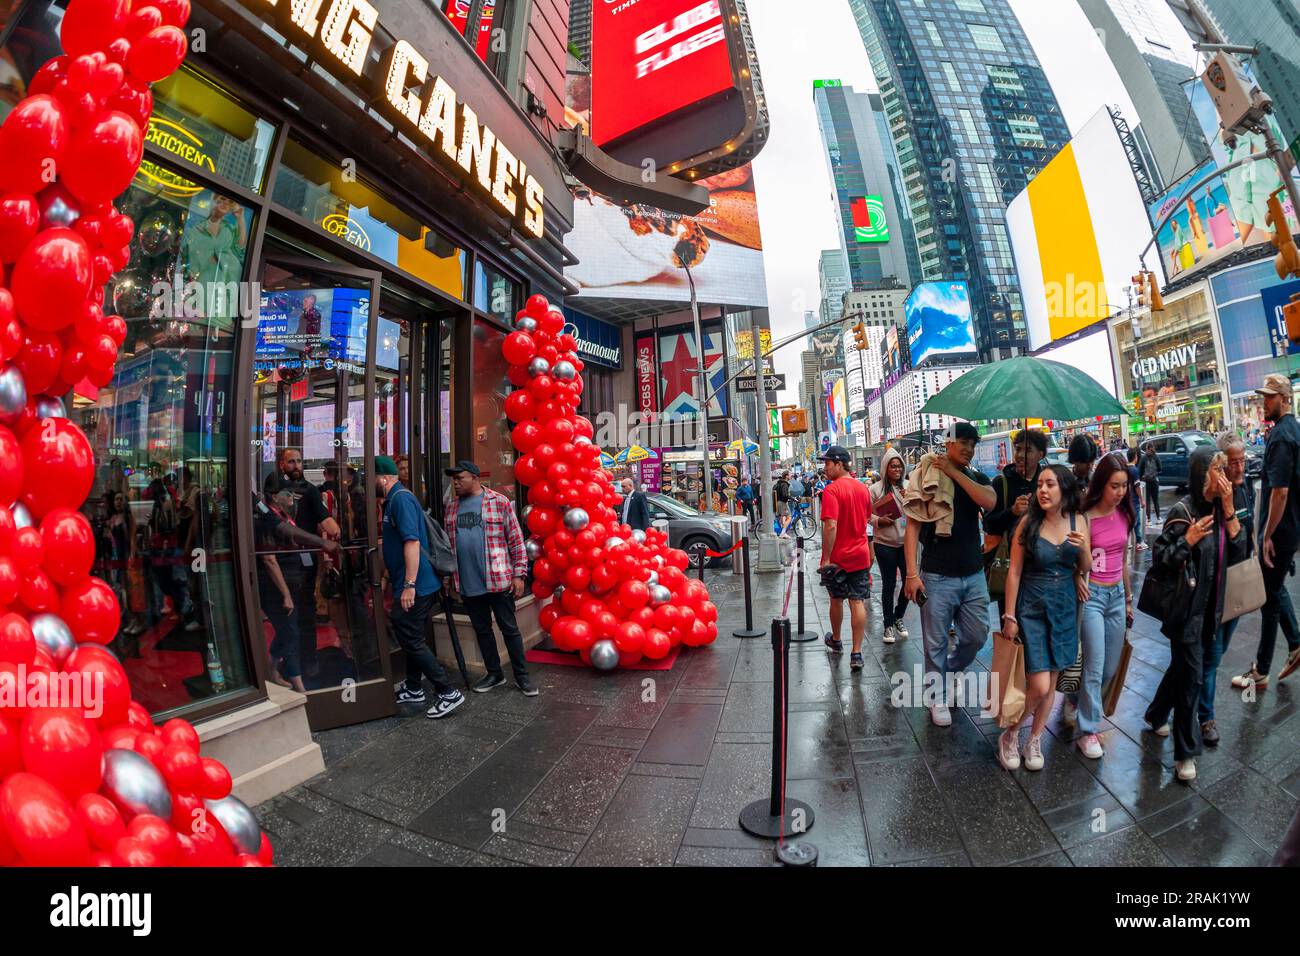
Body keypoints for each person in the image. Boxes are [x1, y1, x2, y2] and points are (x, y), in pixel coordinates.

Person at [1145, 448, 1245, 782]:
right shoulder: (1182, 511)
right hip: (1185, 611)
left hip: (1212, 610)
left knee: (1183, 670)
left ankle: (1156, 713)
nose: (1224, 474)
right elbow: (1160, 561)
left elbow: (1240, 552)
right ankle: (1185, 754)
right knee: (1191, 679)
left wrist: (1230, 511)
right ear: (1202, 473)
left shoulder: (1221, 509)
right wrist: (1186, 541)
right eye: (1217, 468)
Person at [903, 423, 997, 727]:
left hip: (973, 573)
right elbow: (913, 526)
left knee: (976, 635)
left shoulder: (976, 477)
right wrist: (911, 574)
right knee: (935, 643)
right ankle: (937, 696)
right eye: (963, 442)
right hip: (937, 574)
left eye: (972, 443)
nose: (968, 448)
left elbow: (990, 501)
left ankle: (952, 671)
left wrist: (956, 473)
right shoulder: (927, 475)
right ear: (948, 444)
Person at [1000, 465, 1089, 772]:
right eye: (1039, 484)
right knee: (1038, 685)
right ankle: (1011, 734)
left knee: (1051, 684)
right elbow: (1014, 571)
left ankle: (1034, 739)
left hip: (1064, 607)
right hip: (1032, 607)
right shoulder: (1029, 522)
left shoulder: (1078, 521)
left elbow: (1086, 565)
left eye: (1050, 484)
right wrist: (1009, 615)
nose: (1043, 490)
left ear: (1064, 489)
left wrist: (1083, 552)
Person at [373, 456, 465, 718]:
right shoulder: (394, 499)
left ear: (383, 478)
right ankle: (414, 687)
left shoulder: (400, 499)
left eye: (371, 479)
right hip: (413, 581)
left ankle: (447, 691)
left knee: (409, 634)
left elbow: (412, 543)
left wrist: (409, 585)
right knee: (411, 634)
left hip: (417, 583)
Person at [444, 461, 536, 696]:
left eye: (459, 478)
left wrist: (519, 574)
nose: (455, 483)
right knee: (482, 630)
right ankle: (495, 674)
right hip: (468, 582)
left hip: (499, 579)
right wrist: (450, 578)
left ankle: (522, 677)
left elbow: (515, 540)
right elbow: (449, 546)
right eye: (453, 479)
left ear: (475, 477)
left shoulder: (498, 502)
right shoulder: (452, 508)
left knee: (509, 629)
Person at [1233, 374, 1300, 690]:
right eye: (1264, 396)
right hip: (1288, 530)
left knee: (1269, 598)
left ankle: (1260, 669)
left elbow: (1280, 492)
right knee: (1273, 591)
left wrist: (1267, 535)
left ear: (1284, 399)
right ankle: (1296, 644)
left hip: (1281, 531)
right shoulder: (1291, 431)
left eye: (1270, 397)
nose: (1264, 402)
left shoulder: (1282, 437)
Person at [1069, 454, 1135, 758]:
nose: (1120, 492)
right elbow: (1073, 558)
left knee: (1110, 667)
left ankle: (1075, 696)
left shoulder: (1126, 514)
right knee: (1095, 667)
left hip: (1116, 597)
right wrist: (1078, 576)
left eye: (1124, 486)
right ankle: (1087, 730)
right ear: (1101, 485)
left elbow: (1122, 559)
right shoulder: (1085, 517)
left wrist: (1129, 597)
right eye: (1114, 486)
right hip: (1092, 597)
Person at [1202, 433, 1255, 743]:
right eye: (1233, 462)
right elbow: (1235, 542)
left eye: (1242, 461)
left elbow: (1245, 540)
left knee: (1215, 653)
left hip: (1236, 585)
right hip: (1214, 589)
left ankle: (1158, 710)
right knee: (1210, 655)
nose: (1239, 467)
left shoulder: (1243, 489)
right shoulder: (1214, 499)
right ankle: (1206, 718)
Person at [272, 448, 341, 678]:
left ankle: (304, 663)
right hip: (282, 560)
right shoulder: (277, 487)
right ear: (282, 464)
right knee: (290, 614)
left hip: (301, 561)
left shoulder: (309, 491)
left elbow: (329, 526)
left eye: (299, 461)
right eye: (291, 461)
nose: (296, 465)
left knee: (302, 611)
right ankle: (294, 665)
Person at [817, 446, 874, 672]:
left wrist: (826, 557)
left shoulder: (832, 490)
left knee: (836, 599)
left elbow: (830, 525)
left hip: (838, 558)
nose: (825, 467)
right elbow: (868, 518)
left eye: (827, 463)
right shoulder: (863, 488)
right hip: (860, 555)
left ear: (839, 464)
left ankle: (837, 639)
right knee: (857, 601)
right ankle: (856, 652)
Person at [984, 428, 1047, 618]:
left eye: (1027, 450)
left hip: (1043, 568)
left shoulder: (1048, 483)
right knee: (1012, 628)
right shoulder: (1001, 483)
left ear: (1041, 454)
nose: (1019, 455)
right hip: (1009, 567)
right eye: (1017, 449)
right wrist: (1012, 512)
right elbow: (989, 525)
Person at [870, 449, 909, 644]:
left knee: (910, 582)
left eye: (899, 465)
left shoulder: (909, 486)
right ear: (886, 468)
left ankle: (898, 616)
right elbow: (867, 514)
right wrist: (879, 521)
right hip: (884, 544)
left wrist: (909, 497)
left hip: (907, 544)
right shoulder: (875, 489)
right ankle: (888, 625)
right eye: (893, 466)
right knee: (889, 584)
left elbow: (920, 510)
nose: (897, 469)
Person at [1126, 447, 1147, 553]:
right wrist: (1142, 499)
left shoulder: (1125, 469)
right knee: (1137, 521)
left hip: (1126, 500)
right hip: (1134, 500)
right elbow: (1137, 486)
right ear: (1135, 457)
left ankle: (1128, 542)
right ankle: (1139, 542)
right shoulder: (1134, 470)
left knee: (1128, 520)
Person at [1141, 442, 1162, 521]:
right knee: (1156, 500)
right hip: (1154, 481)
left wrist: (1141, 478)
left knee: (1148, 500)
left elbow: (1140, 469)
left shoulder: (1144, 457)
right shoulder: (1156, 457)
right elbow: (1160, 468)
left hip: (1146, 481)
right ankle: (1158, 518)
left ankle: (1149, 519)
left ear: (1147, 448)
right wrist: (1155, 473)